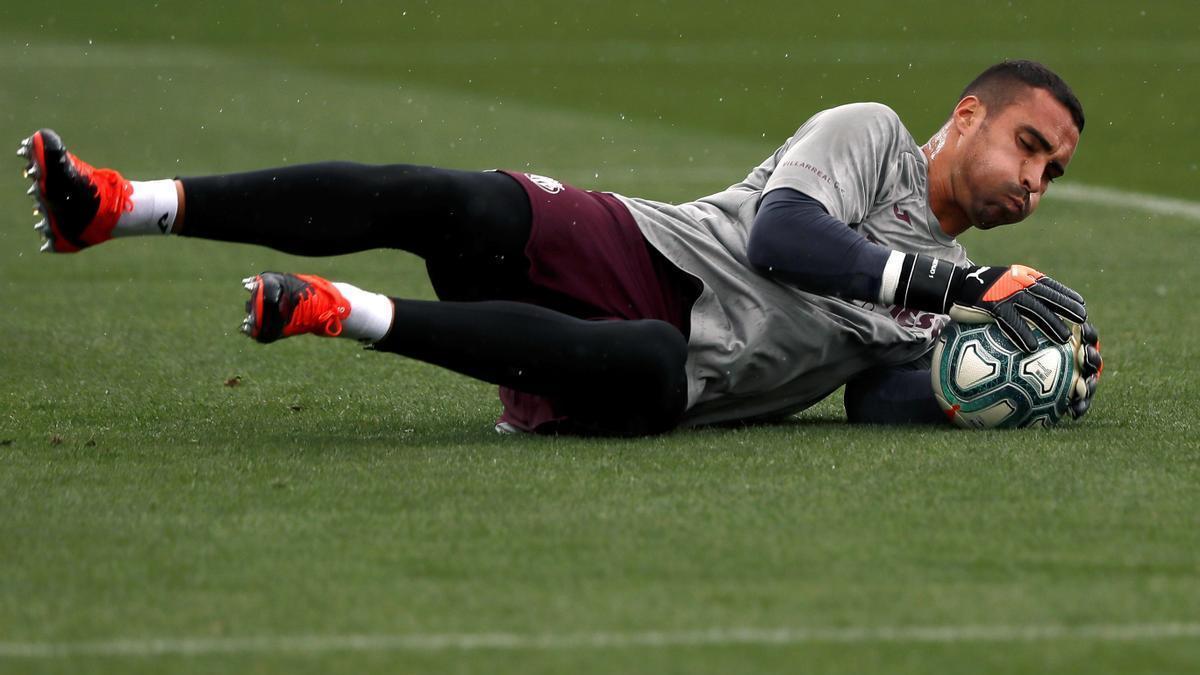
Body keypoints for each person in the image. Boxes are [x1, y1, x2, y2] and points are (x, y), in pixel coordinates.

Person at [18, 59, 1101, 436]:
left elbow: (883, 401)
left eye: (1053, 173)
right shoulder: (868, 136)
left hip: (659, 374)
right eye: (1028, 147)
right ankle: (118, 204)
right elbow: (784, 237)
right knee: (455, 202)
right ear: (965, 117)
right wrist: (958, 284)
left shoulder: (948, 298)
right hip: (645, 251)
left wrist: (1017, 385)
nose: (1034, 183)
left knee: (646, 366)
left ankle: (339, 312)